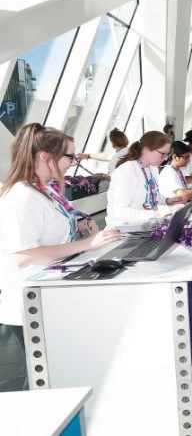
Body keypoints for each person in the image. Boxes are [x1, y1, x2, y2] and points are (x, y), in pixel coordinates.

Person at [0, 124, 121, 354]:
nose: (74, 161)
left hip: (50, 294)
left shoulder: (45, 190)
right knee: (43, 379)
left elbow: (49, 227)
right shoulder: (21, 197)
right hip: (29, 304)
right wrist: (88, 244)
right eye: (70, 156)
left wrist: (78, 223)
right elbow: (23, 256)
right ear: (45, 156)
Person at [106, 131, 184, 227]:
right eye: (163, 154)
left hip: (144, 225)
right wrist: (154, 214)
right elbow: (120, 211)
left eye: (167, 155)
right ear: (146, 150)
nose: (165, 158)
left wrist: (167, 200)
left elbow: (151, 196)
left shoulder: (152, 168)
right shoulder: (127, 171)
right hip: (121, 230)